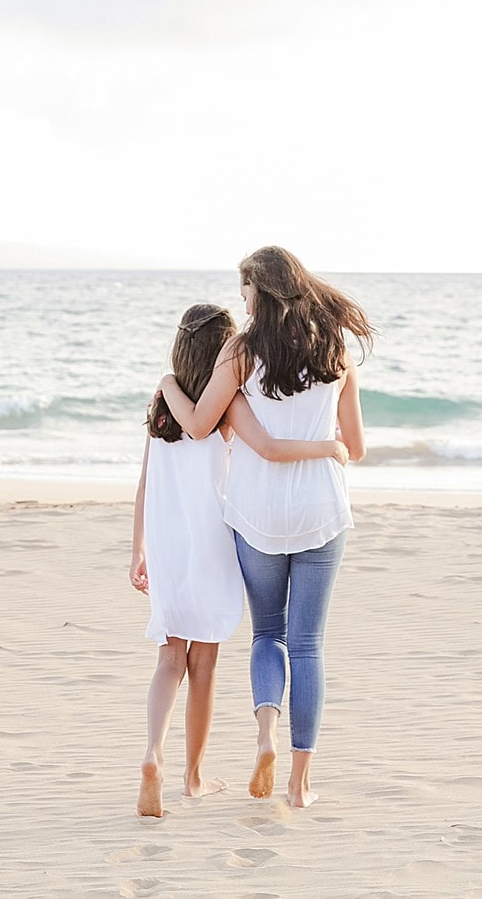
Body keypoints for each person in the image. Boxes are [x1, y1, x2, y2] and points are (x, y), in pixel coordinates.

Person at [159, 248, 372, 809]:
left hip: (257, 515)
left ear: (262, 291)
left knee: (266, 635)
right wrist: (325, 442)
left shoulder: (242, 350)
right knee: (309, 645)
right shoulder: (336, 350)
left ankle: (265, 735)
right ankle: (300, 784)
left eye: (245, 290)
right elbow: (357, 447)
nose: (242, 301)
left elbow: (201, 423)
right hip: (323, 511)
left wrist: (167, 384)